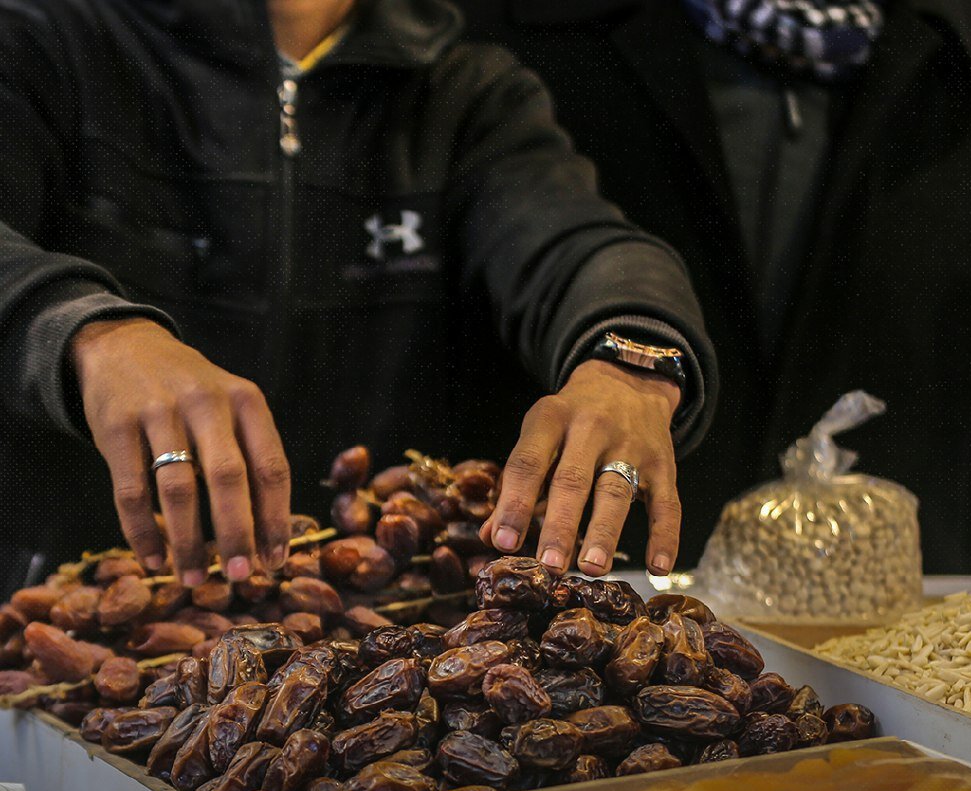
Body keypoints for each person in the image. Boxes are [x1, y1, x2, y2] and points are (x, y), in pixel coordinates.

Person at [0, 0, 718, 600]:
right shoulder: (46, 40)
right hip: (57, 636)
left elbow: (581, 244)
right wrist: (86, 334)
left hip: (357, 653)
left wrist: (631, 360)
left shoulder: (467, 91)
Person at [465, 0, 971, 575]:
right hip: (590, 597)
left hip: (921, 614)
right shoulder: (494, 50)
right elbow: (563, 240)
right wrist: (629, 355)